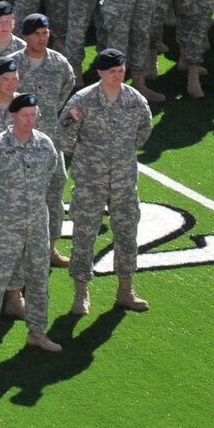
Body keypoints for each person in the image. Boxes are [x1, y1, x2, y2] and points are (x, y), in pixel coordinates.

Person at [55, 50, 153, 315]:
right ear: (99, 72)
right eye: (112, 71)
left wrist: (123, 154)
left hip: (123, 181)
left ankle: (126, 289)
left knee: (126, 233)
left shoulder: (134, 99)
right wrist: (88, 158)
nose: (118, 75)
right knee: (85, 235)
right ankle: (81, 292)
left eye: (121, 70)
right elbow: (63, 136)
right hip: (91, 182)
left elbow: (145, 129)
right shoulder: (83, 100)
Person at [0, 93, 67, 362]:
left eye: (34, 114)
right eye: (25, 114)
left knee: (38, 280)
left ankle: (37, 332)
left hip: (36, 225)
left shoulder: (45, 145)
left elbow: (53, 179)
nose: (31, 119)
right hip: (4, 226)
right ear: (13, 115)